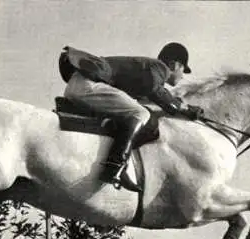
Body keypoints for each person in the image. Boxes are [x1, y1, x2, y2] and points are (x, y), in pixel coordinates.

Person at [59, 42, 204, 192]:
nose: (182, 76)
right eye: (183, 70)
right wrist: (185, 108)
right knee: (141, 114)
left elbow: (152, 95)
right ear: (174, 65)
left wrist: (176, 104)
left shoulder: (148, 72)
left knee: (134, 113)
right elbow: (156, 92)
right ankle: (115, 166)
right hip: (87, 85)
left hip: (78, 85)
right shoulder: (160, 68)